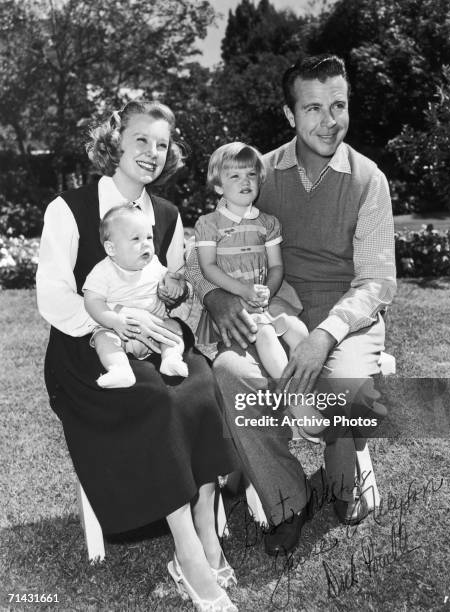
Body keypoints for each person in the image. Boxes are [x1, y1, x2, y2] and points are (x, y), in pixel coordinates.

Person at [187, 55, 396, 556]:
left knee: (343, 388)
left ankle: (349, 461)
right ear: (289, 115)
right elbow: (203, 250)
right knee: (233, 370)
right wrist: (216, 295)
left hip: (345, 314)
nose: (329, 121)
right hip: (273, 307)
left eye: (339, 105)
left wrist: (324, 334)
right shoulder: (259, 173)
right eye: (313, 108)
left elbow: (375, 282)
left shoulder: (369, 181)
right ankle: (286, 497)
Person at [37, 100, 239, 611]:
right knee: (154, 396)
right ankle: (190, 553)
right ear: (116, 141)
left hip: (154, 341)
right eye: (141, 140)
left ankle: (205, 526)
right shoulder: (69, 208)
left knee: (200, 378)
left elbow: (170, 295)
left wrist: (172, 300)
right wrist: (113, 322)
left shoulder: (167, 217)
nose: (152, 153)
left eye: (162, 144)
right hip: (88, 352)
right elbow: (53, 297)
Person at [194, 141, 326, 439]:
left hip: (265, 298)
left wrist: (267, 290)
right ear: (218, 186)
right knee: (265, 333)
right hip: (233, 301)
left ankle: (308, 392)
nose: (245, 182)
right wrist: (241, 290)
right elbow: (208, 267)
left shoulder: (268, 223)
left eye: (251, 175)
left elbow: (277, 266)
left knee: (296, 330)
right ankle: (296, 403)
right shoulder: (208, 224)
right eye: (234, 176)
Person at [83, 204, 189, 389]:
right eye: (136, 238)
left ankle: (171, 359)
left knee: (174, 327)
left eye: (149, 237)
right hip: (120, 332)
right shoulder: (103, 272)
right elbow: (92, 301)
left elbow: (168, 276)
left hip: (156, 329)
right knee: (103, 338)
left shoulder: (153, 264)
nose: (146, 243)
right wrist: (114, 320)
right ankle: (119, 369)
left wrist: (171, 284)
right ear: (111, 248)